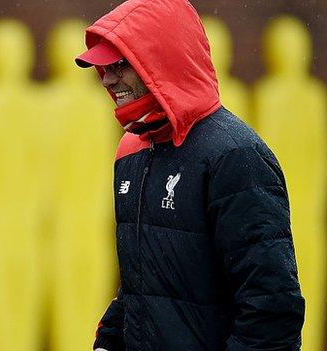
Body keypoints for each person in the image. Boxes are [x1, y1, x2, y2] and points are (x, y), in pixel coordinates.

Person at [74, 0, 305, 350]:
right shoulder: (133, 152)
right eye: (104, 68)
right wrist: (109, 341)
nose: (106, 78)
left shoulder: (236, 156)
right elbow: (144, 285)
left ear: (159, 61)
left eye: (120, 64)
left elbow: (271, 309)